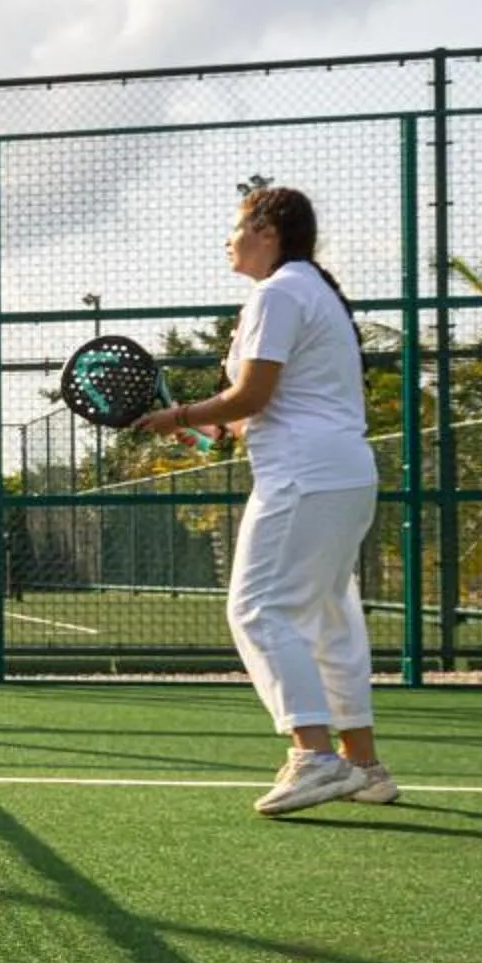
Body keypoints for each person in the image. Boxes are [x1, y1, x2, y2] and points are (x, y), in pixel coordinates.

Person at [133, 184, 400, 817]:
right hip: (344, 473)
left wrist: (179, 414)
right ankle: (362, 763)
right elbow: (255, 408)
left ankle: (313, 757)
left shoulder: (276, 294)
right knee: (332, 618)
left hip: (304, 476)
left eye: (236, 229)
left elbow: (250, 396)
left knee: (255, 610)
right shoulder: (314, 293)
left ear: (267, 233)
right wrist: (199, 423)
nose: (228, 241)